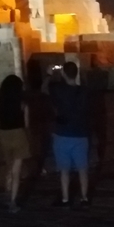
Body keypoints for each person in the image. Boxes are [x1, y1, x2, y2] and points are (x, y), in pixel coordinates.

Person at [43, 61, 90, 207]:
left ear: (63, 74)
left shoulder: (58, 89)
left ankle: (65, 198)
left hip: (62, 134)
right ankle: (84, 198)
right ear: (76, 74)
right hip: (81, 134)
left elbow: (43, 89)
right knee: (82, 170)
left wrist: (49, 75)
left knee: (64, 170)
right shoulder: (84, 91)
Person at [0, 74, 30, 213]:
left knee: (9, 167)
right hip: (18, 135)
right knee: (16, 171)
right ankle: (13, 202)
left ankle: (7, 193)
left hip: (4, 135)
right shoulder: (22, 104)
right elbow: (27, 124)